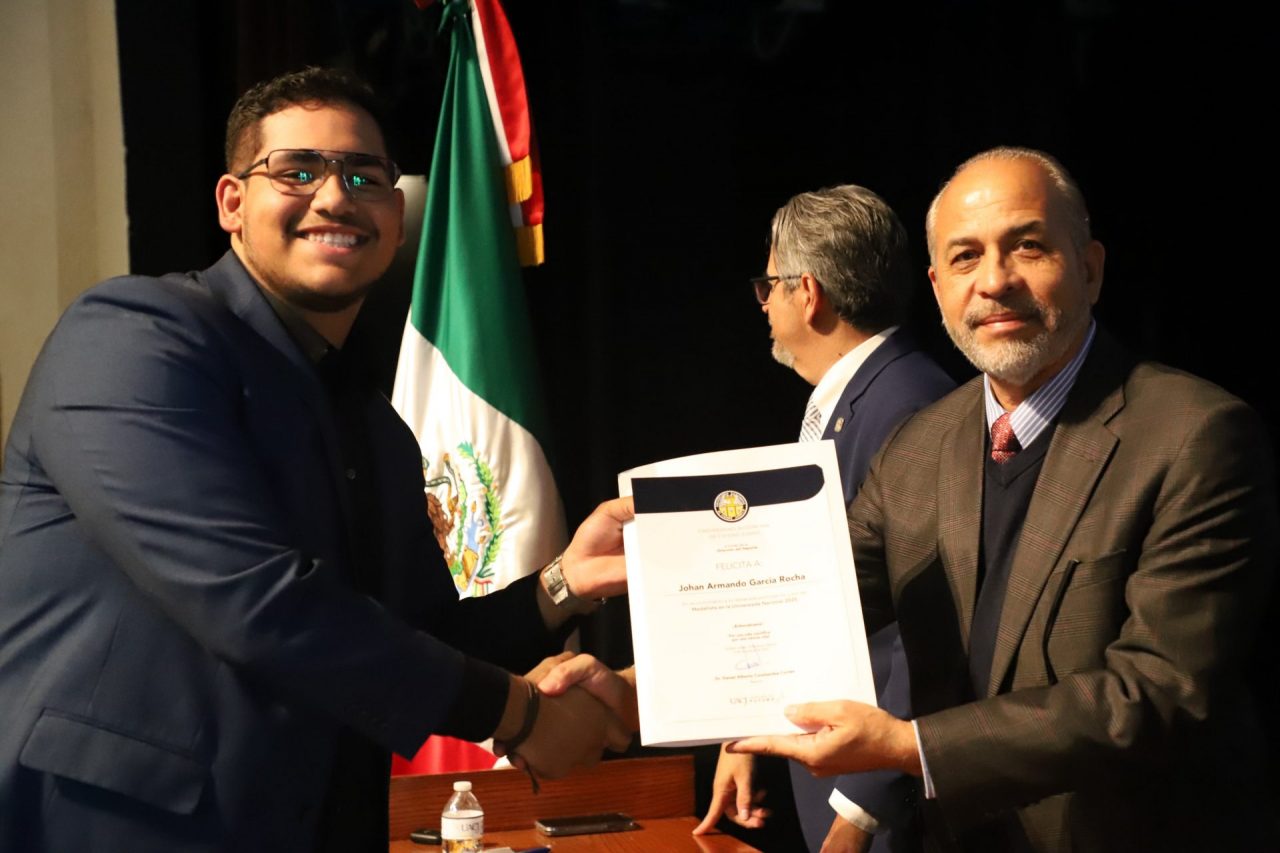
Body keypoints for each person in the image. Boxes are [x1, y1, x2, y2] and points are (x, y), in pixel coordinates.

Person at [543, 147, 1277, 851]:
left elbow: (1158, 691)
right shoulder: (922, 441)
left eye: (1027, 247)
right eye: (965, 257)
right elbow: (808, 598)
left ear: (1089, 267)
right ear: (936, 286)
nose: (994, 281)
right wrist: (642, 686)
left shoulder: (1195, 435)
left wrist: (909, 746)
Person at [0, 67, 631, 853]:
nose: (335, 197)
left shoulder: (374, 424)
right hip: (117, 827)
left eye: (364, 176)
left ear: (395, 217)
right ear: (232, 203)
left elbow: (414, 633)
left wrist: (564, 583)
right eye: (297, 170)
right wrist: (521, 713)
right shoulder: (133, 335)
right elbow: (254, 597)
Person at [695, 185, 952, 852]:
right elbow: (808, 597)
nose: (764, 304)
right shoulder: (854, 398)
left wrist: (861, 811)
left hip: (885, 803)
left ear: (807, 292)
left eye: (768, 286)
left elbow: (927, 628)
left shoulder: (910, 405)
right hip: (834, 777)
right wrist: (745, 728)